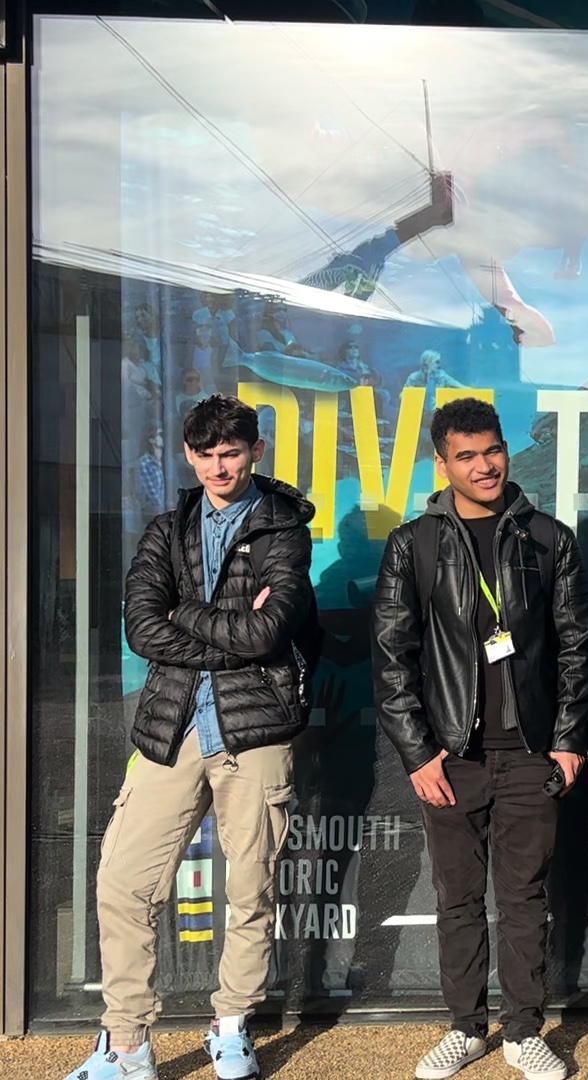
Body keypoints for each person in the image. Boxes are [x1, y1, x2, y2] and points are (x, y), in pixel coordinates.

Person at [65, 395, 318, 1080]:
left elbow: (269, 632)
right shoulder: (166, 530)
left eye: (230, 453)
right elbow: (141, 628)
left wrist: (183, 613)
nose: (218, 467)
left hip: (255, 728)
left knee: (251, 888)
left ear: (256, 451)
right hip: (171, 725)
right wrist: (225, 630)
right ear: (188, 455)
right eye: (205, 455)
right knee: (123, 881)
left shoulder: (283, 530)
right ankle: (127, 1045)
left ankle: (230, 1026)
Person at [372, 398, 588, 1080]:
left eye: (491, 450)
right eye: (465, 456)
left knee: (525, 899)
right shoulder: (414, 544)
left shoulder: (548, 539)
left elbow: (577, 648)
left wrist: (567, 741)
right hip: (451, 756)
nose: (484, 465)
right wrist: (418, 753)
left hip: (530, 754)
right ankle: (466, 1028)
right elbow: (391, 657)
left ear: (506, 450)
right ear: (442, 464)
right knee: (458, 900)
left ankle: (525, 1031)